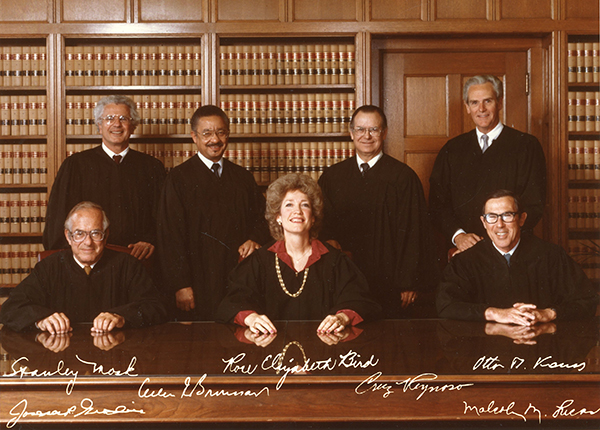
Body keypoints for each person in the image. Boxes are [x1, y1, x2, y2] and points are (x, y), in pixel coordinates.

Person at [216, 173, 381, 335]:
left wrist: (343, 317)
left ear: (314, 217)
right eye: (289, 205)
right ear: (278, 216)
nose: (297, 211)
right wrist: (251, 318)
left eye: (305, 205)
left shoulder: (335, 260)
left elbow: (360, 300)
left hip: (324, 351)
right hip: (270, 353)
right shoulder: (259, 261)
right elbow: (232, 301)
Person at [318, 105, 437, 318]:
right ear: (351, 133)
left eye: (373, 129)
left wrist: (408, 282)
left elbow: (414, 232)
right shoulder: (332, 177)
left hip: (390, 282)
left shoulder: (402, 177)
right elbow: (321, 226)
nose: (367, 136)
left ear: (384, 132)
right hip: (344, 280)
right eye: (361, 129)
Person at [157, 105, 270, 321]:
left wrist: (254, 239)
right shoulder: (178, 179)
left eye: (220, 132)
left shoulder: (242, 178)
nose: (214, 140)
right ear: (194, 137)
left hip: (238, 278)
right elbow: (169, 236)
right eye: (207, 133)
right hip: (197, 283)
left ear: (228, 134)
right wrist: (181, 285)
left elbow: (264, 219)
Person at [0, 202, 167, 333]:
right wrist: (39, 320)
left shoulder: (128, 266)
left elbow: (156, 307)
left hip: (115, 359)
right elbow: (10, 308)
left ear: (106, 235)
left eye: (95, 233)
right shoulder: (49, 268)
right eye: (79, 234)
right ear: (68, 236)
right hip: (62, 359)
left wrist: (122, 317)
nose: (88, 242)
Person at [436, 190, 598, 324]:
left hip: (541, 349)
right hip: (485, 351)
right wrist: (494, 313)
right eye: (492, 217)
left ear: (522, 219)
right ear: (483, 222)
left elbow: (587, 300)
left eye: (507, 215)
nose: (499, 224)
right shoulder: (466, 261)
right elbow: (445, 305)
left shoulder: (551, 255)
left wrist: (548, 314)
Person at [429, 75, 546, 253]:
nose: (481, 109)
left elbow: (534, 204)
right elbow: (437, 205)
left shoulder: (526, 146)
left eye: (488, 101)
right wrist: (458, 236)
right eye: (474, 103)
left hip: (511, 250)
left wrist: (501, 240)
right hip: (463, 250)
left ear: (499, 102)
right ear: (467, 107)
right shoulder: (452, 149)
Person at [43, 95, 166, 261]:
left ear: (133, 126)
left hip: (137, 261)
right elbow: (57, 222)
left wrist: (150, 241)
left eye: (123, 118)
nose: (117, 124)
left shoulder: (152, 167)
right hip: (88, 261)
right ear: (99, 126)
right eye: (109, 118)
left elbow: (165, 220)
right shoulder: (75, 165)